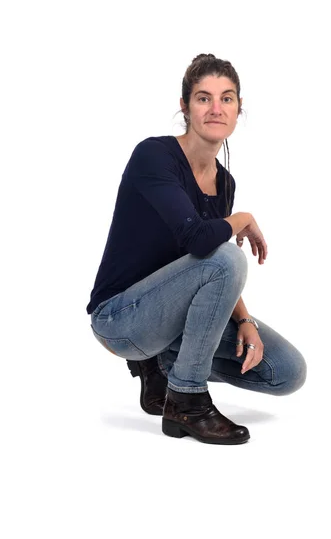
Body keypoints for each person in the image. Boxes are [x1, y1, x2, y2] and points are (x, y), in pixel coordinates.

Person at [87, 53, 307, 445]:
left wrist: (245, 322)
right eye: (204, 98)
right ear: (185, 106)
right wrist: (241, 219)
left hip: (172, 317)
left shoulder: (225, 184)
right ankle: (186, 401)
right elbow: (201, 242)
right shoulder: (154, 156)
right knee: (226, 254)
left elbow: (207, 265)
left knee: (286, 371)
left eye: (227, 98)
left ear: (240, 110)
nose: (216, 108)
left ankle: (167, 365)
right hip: (121, 319)